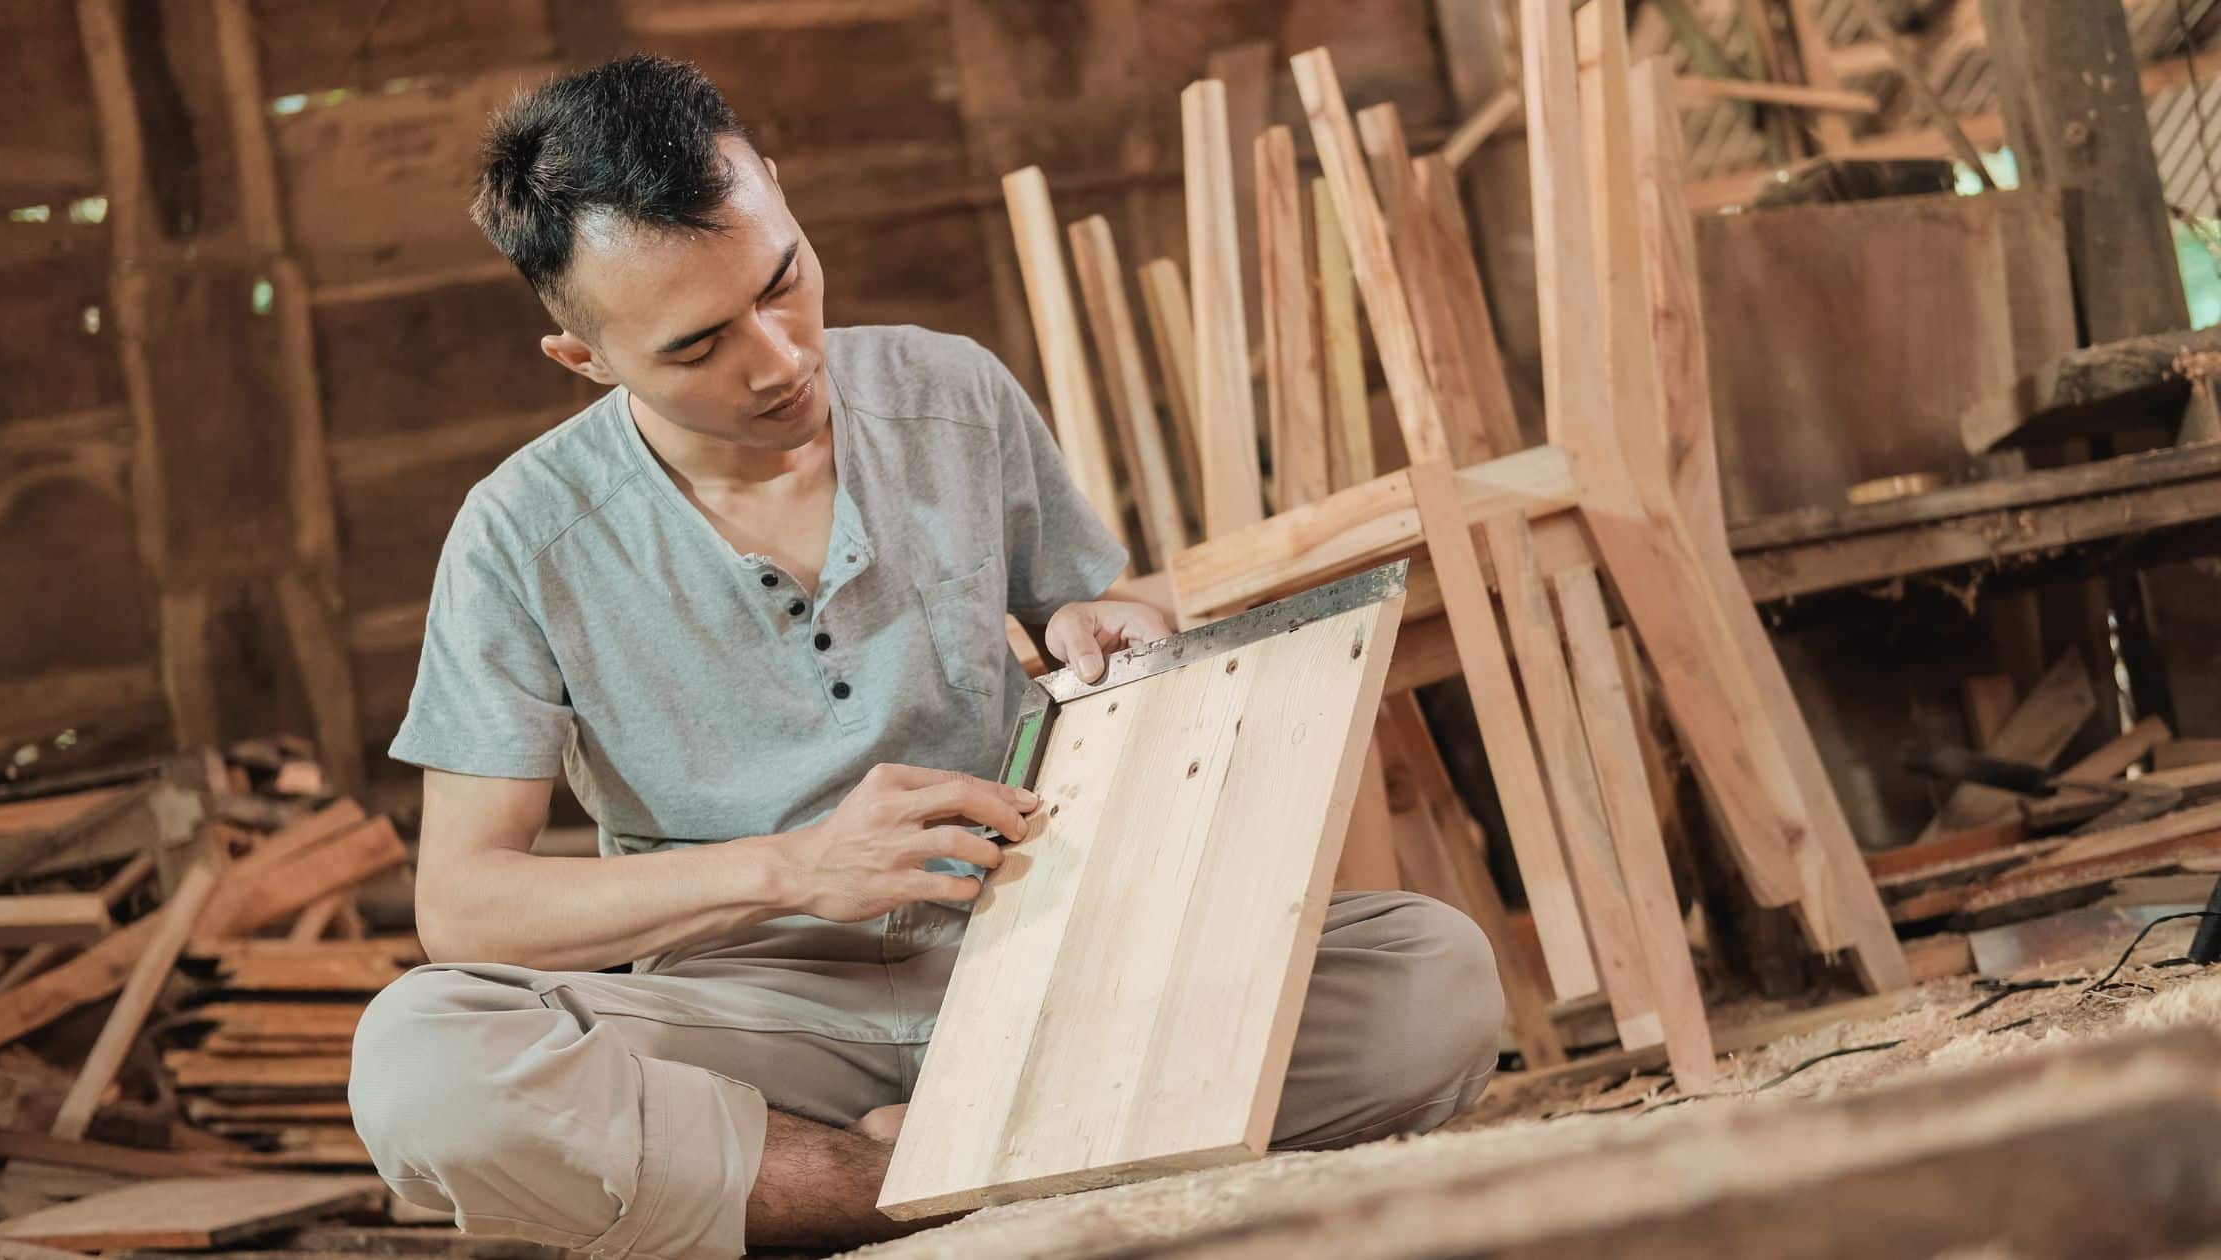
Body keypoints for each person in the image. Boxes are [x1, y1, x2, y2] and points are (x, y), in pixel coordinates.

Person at [347, 54, 1503, 1260]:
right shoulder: (518, 537)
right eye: (698, 348)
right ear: (586, 361)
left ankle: (827, 1175)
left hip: (1035, 963)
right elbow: (466, 907)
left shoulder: (952, 392)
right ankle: (901, 1178)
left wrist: (1099, 629)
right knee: (421, 1062)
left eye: (781, 280)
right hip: (748, 1016)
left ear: (781, 199)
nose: (780, 356)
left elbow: (1097, 613)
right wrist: (792, 870)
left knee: (1430, 979)